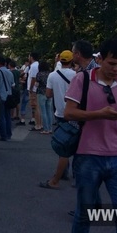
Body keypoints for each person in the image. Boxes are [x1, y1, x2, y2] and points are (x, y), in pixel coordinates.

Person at [64, 38, 117, 233]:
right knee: (84, 216)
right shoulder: (82, 79)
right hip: (88, 156)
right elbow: (69, 113)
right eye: (112, 63)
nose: (116, 69)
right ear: (100, 59)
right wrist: (99, 114)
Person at [39, 50, 77, 190]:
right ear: (72, 61)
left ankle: (63, 172)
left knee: (63, 143)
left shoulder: (52, 75)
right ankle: (76, 173)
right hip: (74, 113)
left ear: (60, 60)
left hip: (60, 113)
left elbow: (48, 94)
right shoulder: (76, 75)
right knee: (77, 143)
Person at [36, 61, 52, 134]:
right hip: (49, 92)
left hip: (41, 92)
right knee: (49, 111)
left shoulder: (39, 74)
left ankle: (46, 129)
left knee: (43, 111)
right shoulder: (50, 74)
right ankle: (50, 128)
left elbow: (36, 84)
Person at [27, 52, 42, 131]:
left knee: (35, 107)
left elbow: (33, 78)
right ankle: (40, 123)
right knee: (37, 106)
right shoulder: (38, 65)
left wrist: (31, 88)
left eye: (29, 57)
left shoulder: (33, 66)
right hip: (36, 89)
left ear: (31, 57)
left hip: (33, 90)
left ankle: (38, 124)